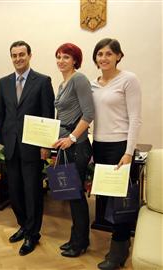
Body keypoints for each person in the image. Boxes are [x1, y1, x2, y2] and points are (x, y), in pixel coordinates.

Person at [0, 40, 55, 256]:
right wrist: (0, 143)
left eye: (22, 54)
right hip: (10, 147)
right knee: (15, 191)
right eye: (14, 55)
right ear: (11, 57)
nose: (18, 58)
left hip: (33, 147)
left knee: (32, 192)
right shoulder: (3, 83)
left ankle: (33, 234)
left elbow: (48, 115)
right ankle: (24, 225)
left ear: (30, 55)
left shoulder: (42, 81)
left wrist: (46, 146)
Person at [91, 38, 142, 270]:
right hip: (99, 146)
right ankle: (118, 244)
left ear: (119, 56)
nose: (104, 58)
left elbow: (135, 119)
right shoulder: (93, 83)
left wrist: (129, 152)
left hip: (120, 147)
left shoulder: (128, 79)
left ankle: (119, 252)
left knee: (121, 203)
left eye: (109, 54)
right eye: (100, 54)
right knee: (105, 202)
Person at [52, 43, 94, 257]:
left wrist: (71, 137)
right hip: (65, 145)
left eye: (66, 57)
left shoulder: (79, 79)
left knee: (76, 196)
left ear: (75, 60)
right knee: (71, 194)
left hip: (77, 146)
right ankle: (75, 238)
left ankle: (81, 243)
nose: (61, 60)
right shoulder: (62, 84)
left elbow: (88, 114)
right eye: (58, 56)